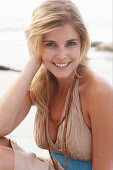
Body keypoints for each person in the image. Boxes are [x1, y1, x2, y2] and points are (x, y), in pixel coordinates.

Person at [0, 0, 113, 169]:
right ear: (37, 44)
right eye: (50, 44)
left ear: (82, 43)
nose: (62, 55)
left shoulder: (98, 91)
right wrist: (33, 63)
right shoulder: (40, 82)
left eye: (71, 43)